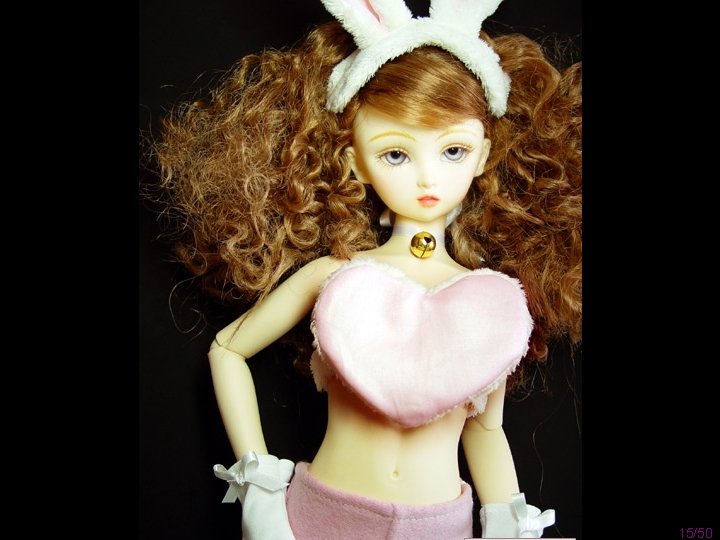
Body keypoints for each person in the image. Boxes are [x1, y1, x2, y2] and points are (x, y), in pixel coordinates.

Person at [151, 0, 581, 538]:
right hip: (319, 517)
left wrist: (506, 523)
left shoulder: (493, 302)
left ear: (483, 155)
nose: (427, 177)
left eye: (453, 150)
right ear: (356, 161)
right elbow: (228, 350)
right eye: (395, 154)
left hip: (441, 527)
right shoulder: (337, 275)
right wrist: (259, 486)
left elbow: (485, 430)